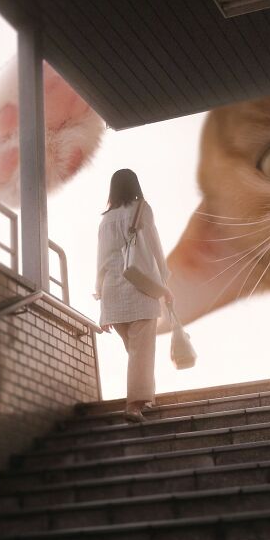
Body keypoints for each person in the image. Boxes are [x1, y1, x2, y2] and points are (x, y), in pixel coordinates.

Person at [94, 169, 173, 423]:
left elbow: (102, 262)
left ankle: (146, 398)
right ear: (135, 185)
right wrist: (164, 283)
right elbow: (154, 246)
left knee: (136, 351)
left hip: (113, 293)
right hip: (141, 289)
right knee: (142, 351)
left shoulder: (105, 220)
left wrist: (100, 299)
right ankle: (134, 405)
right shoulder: (142, 210)